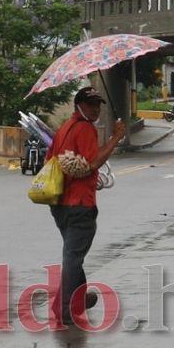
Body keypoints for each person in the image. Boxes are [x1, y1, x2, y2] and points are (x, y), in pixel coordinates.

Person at [47, 86, 126, 326]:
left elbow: (51, 159)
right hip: (79, 203)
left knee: (75, 254)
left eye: (98, 104)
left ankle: (78, 300)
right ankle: (64, 309)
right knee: (72, 257)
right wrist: (116, 138)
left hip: (60, 204)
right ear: (79, 105)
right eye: (91, 104)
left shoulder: (64, 128)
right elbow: (93, 163)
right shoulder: (84, 129)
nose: (96, 109)